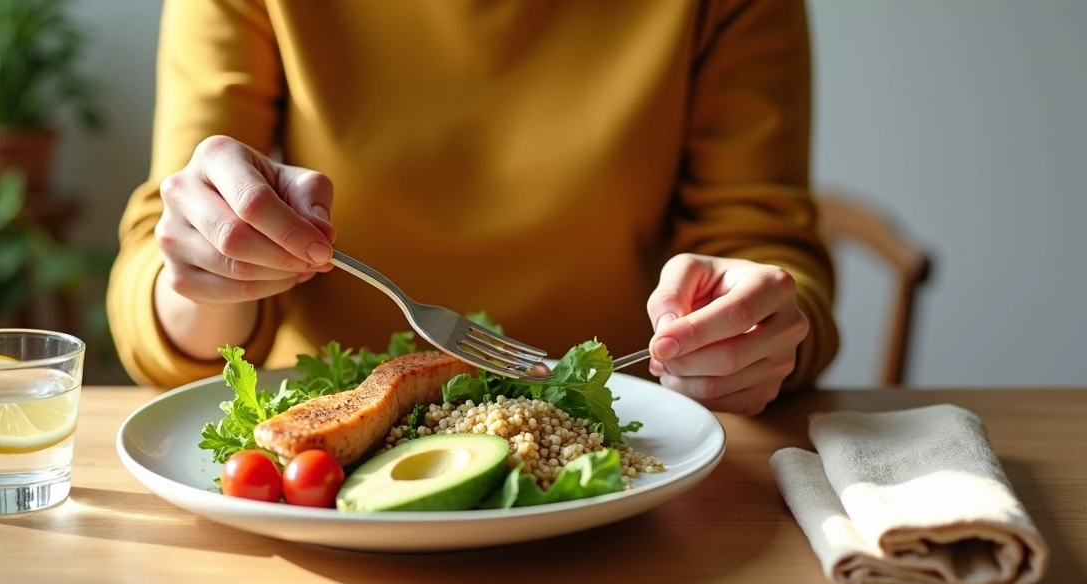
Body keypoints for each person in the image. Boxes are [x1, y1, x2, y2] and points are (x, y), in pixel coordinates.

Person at [107, 0, 839, 416]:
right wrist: (207, 270)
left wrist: (751, 331)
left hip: (632, 439)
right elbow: (159, 275)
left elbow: (769, 257)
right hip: (317, 466)